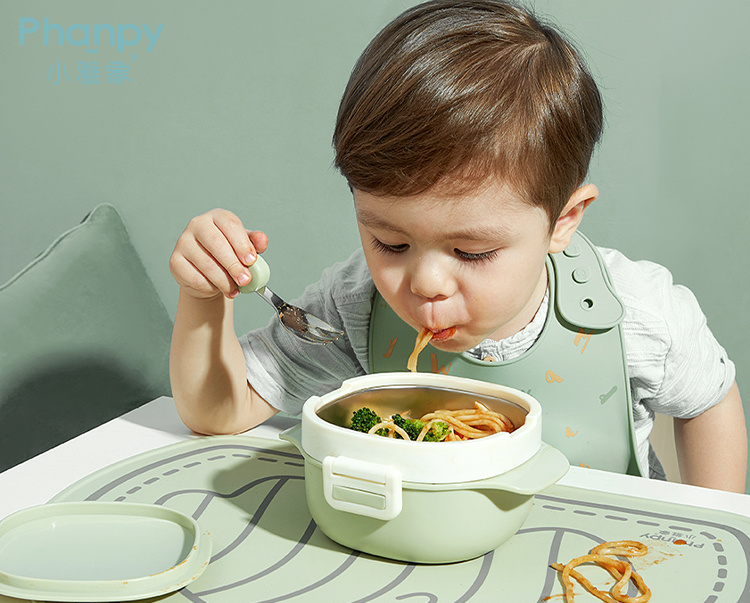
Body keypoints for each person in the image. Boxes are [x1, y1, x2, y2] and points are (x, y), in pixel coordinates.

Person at [169, 0, 747, 492]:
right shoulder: (353, 309)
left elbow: (709, 400)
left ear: (563, 221)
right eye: (389, 242)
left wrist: (708, 525)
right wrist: (204, 297)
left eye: (471, 253)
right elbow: (219, 410)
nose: (424, 284)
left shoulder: (638, 314)